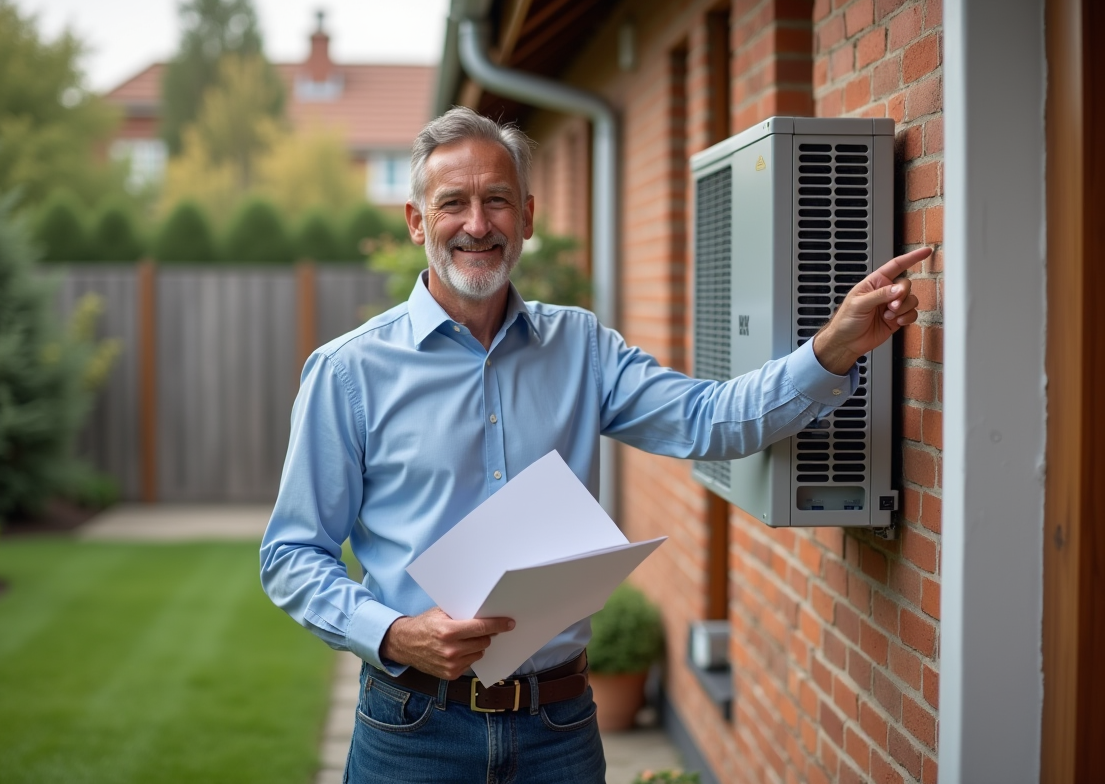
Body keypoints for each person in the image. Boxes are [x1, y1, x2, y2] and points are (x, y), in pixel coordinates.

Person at [260, 106, 930, 783]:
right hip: (413, 731)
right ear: (416, 221)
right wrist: (395, 634)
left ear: (526, 215)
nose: (477, 224)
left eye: (496, 200)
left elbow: (710, 419)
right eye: (453, 203)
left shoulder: (580, 346)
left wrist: (833, 347)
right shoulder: (348, 372)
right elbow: (291, 556)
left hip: (559, 731)